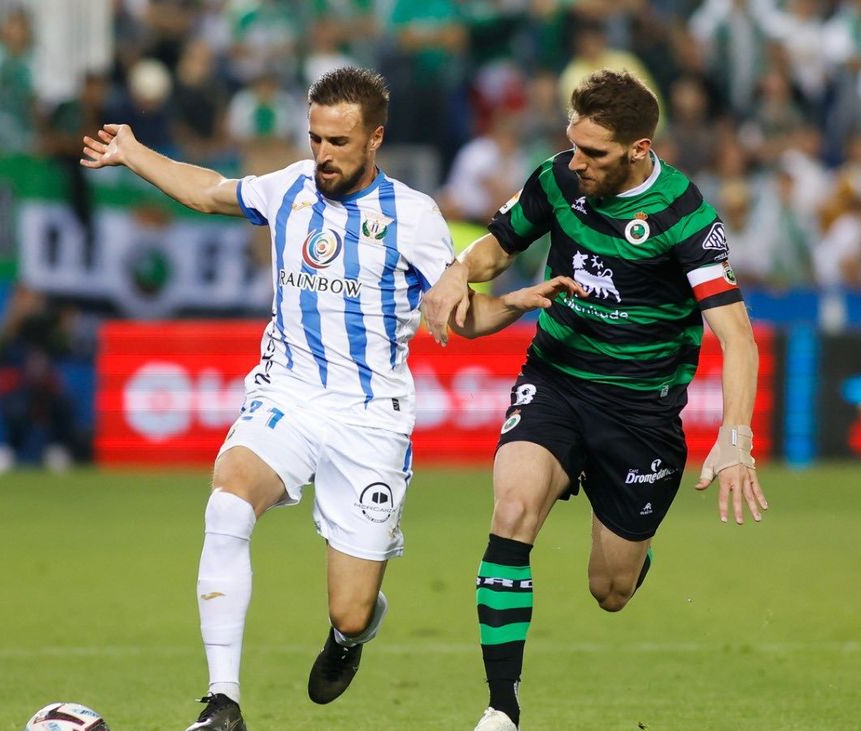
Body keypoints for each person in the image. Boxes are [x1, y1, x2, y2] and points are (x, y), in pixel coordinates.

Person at [80, 66, 580, 731]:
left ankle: (349, 636)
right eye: (315, 138)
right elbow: (210, 193)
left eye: (338, 142)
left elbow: (461, 316)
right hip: (287, 392)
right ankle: (222, 701)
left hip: (369, 418)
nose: (322, 154)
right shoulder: (289, 187)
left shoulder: (414, 217)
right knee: (229, 500)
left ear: (375, 138)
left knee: (349, 607)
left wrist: (512, 305)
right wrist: (134, 154)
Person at [420, 70, 770, 731]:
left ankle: (631, 545)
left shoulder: (684, 215)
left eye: (595, 154)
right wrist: (457, 270)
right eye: (574, 146)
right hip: (555, 378)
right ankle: (502, 708)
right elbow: (498, 246)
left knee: (609, 591)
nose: (577, 163)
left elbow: (738, 338)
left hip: (640, 413)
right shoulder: (557, 178)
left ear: (639, 149)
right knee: (514, 507)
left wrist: (736, 435)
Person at [0, 284, 79, 477]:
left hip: (43, 389)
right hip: (15, 390)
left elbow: (62, 351)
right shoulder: (8, 327)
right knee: (18, 407)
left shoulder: (46, 328)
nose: (30, 304)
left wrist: (65, 328)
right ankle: (8, 449)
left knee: (62, 403)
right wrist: (9, 328)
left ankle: (56, 449)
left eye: (34, 299)